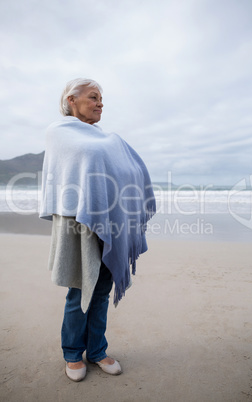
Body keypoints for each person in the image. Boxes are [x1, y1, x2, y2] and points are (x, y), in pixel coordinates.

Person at [39, 78, 156, 382]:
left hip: (110, 220)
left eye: (102, 98)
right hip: (78, 220)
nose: (100, 103)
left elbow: (123, 170)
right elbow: (75, 171)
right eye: (93, 97)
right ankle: (72, 354)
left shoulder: (107, 138)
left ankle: (97, 350)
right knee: (81, 287)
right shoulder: (59, 132)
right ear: (71, 100)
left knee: (102, 290)